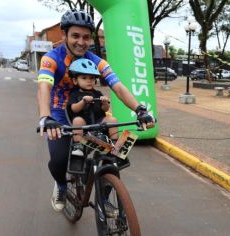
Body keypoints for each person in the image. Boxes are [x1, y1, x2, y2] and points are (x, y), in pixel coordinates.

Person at [37, 9, 155, 212]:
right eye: (75, 36)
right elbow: (44, 87)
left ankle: (106, 197)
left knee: (113, 156)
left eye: (86, 37)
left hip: (91, 112)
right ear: (64, 35)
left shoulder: (96, 61)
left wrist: (140, 109)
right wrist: (45, 117)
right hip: (60, 113)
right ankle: (62, 186)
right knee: (58, 160)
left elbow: (118, 86)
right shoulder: (51, 58)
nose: (81, 42)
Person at [67, 58, 118, 157]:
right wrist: (83, 101)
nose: (89, 81)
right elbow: (73, 109)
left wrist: (105, 102)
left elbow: (105, 110)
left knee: (112, 119)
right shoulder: (74, 94)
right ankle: (78, 146)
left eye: (92, 78)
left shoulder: (98, 93)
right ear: (75, 80)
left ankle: (115, 144)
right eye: (84, 78)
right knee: (77, 120)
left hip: (98, 124)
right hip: (84, 128)